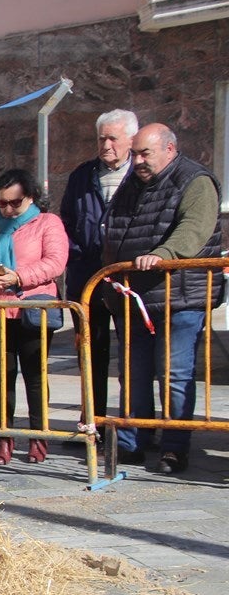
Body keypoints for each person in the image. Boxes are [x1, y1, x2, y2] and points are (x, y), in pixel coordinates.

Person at [101, 123, 223, 475]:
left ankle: (174, 447)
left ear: (170, 149)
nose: (137, 161)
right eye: (135, 153)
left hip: (179, 295)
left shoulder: (195, 180)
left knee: (174, 373)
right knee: (133, 373)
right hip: (134, 296)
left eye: (145, 154)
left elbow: (195, 228)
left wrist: (164, 253)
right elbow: (116, 229)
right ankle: (132, 442)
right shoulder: (132, 183)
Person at [0, 169, 68, 465]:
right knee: (3, 378)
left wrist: (18, 277)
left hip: (32, 310)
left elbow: (55, 262)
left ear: (30, 197)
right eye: (2, 203)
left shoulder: (47, 223)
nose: (8, 209)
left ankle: (38, 436)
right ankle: (4, 438)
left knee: (35, 376)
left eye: (15, 203)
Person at [59, 109, 137, 426]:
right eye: (101, 138)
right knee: (91, 352)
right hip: (88, 279)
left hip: (130, 281)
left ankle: (133, 422)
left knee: (134, 355)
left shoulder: (142, 176)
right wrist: (79, 254)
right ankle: (94, 418)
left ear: (131, 139)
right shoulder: (82, 176)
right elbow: (66, 223)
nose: (106, 145)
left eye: (113, 139)